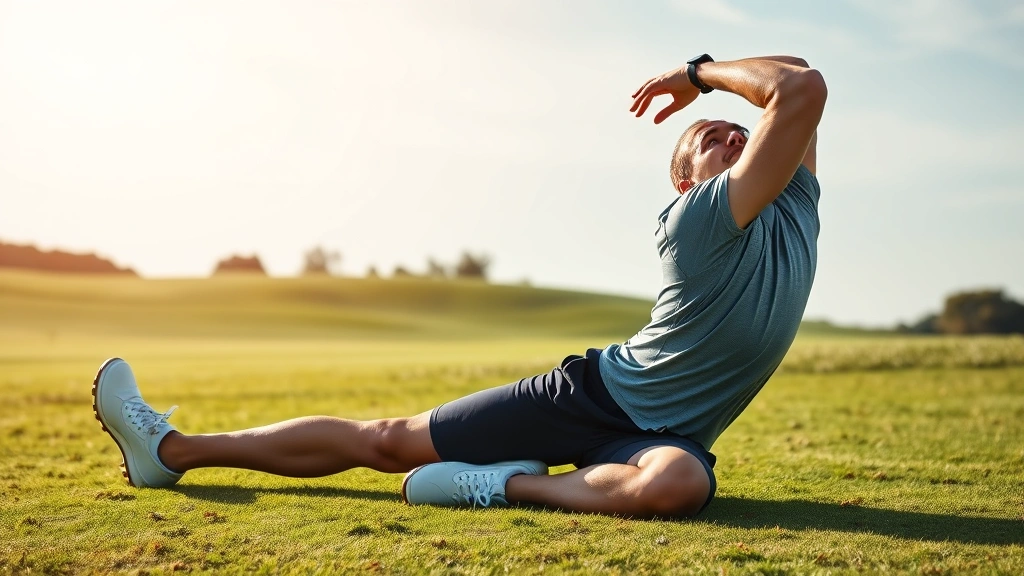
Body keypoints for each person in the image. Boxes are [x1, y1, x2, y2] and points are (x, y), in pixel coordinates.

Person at [92, 53, 826, 518]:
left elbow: (792, 80)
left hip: (666, 439)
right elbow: (798, 88)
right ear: (681, 177)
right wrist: (695, 75)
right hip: (594, 396)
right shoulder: (698, 217)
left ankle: (503, 485)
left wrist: (713, 89)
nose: (733, 138)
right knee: (386, 441)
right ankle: (172, 450)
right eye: (710, 137)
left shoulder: (794, 201)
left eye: (742, 132)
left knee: (680, 490)